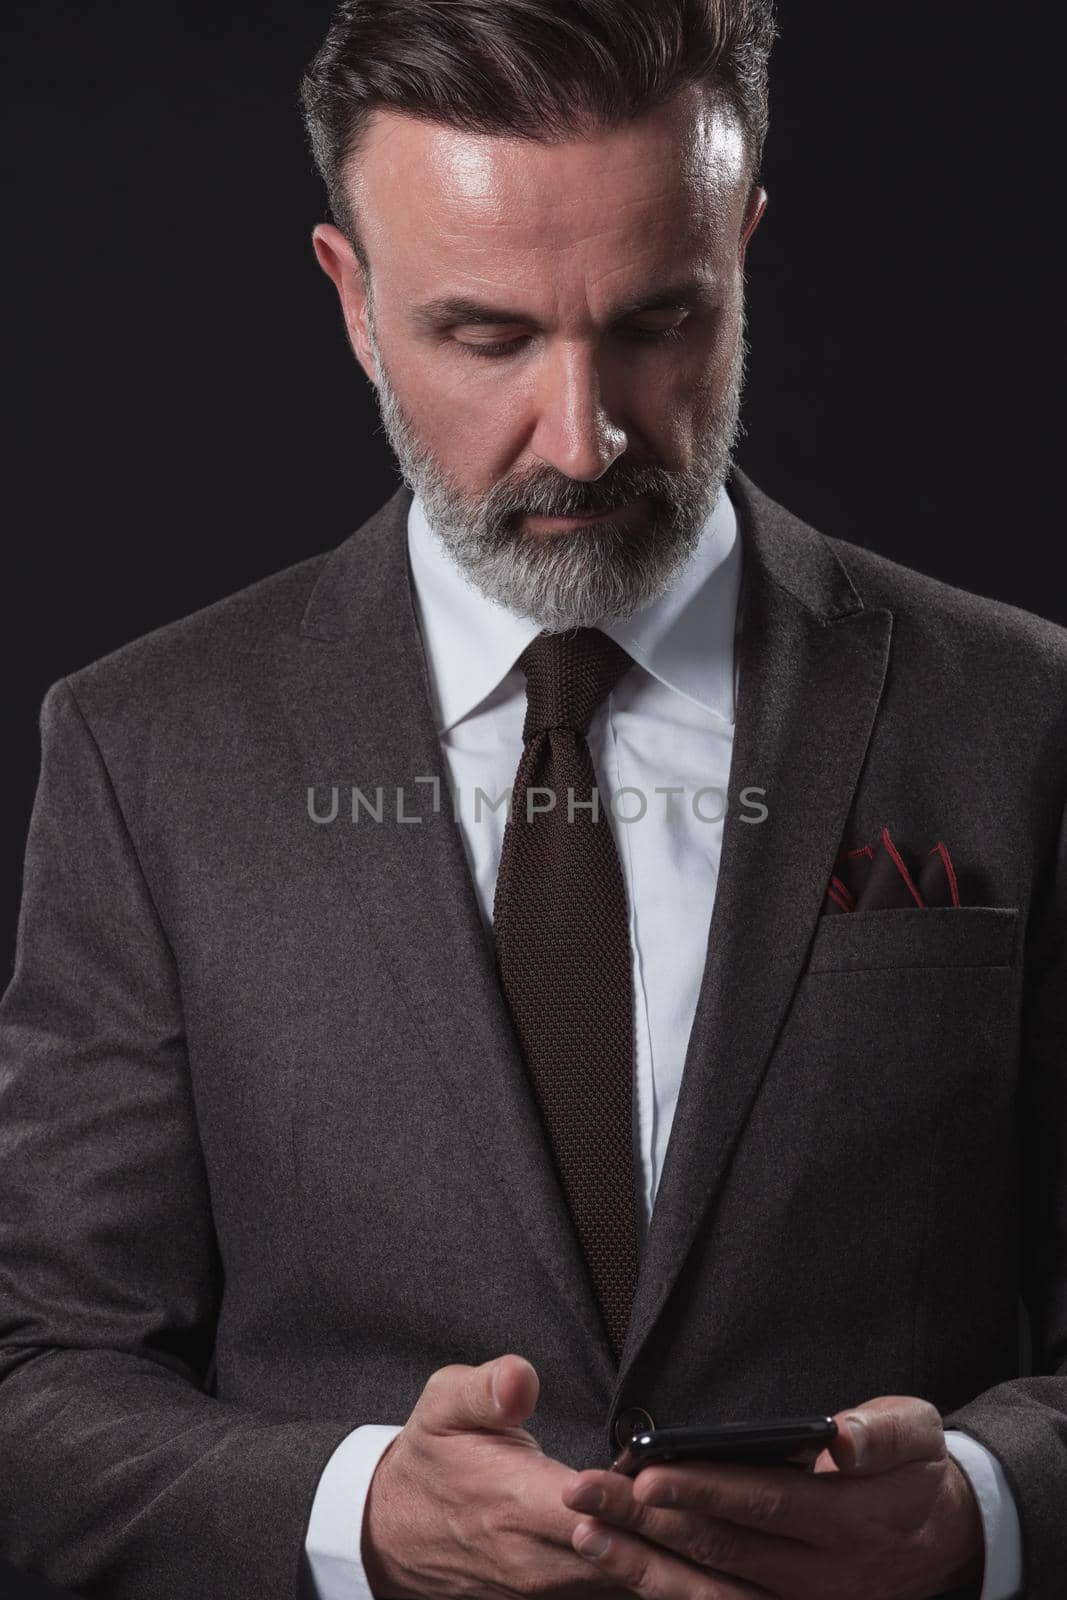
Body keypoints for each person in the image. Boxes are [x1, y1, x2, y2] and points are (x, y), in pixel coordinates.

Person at [1, 2, 1064, 1597]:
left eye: (659, 321)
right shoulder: (140, 749)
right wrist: (360, 1513)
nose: (585, 436)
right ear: (353, 302)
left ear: (746, 253)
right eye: (488, 337)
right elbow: (39, 1381)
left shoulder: (1028, 714)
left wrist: (982, 1508)